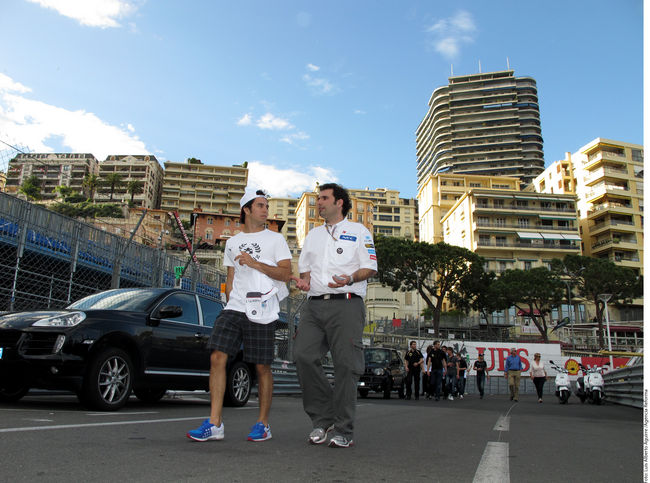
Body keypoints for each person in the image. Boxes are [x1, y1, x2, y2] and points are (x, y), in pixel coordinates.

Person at [187, 189, 292, 443]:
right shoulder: (232, 242)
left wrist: (255, 263)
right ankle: (215, 423)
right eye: (260, 205)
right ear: (247, 209)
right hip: (235, 306)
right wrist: (229, 299)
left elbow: (285, 274)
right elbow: (231, 276)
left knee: (262, 366)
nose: (265, 210)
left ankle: (263, 424)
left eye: (266, 206)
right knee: (217, 356)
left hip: (263, 307)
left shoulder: (276, 239)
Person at [292, 183, 378, 449]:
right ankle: (323, 417)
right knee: (303, 356)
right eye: (318, 198)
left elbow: (370, 268)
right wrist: (304, 283)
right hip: (314, 305)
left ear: (339, 202)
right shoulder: (313, 235)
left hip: (347, 304)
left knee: (346, 366)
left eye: (324, 198)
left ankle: (343, 430)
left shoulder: (359, 231)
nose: (318, 202)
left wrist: (349, 278)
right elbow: (306, 271)